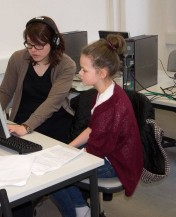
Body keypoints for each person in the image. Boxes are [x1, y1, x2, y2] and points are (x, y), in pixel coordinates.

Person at [51, 34, 143, 217]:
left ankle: (77, 212)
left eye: (84, 70)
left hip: (116, 163)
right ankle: (82, 209)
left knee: (53, 177)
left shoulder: (111, 106)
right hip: (106, 152)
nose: (80, 73)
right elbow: (91, 129)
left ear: (101, 73)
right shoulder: (105, 92)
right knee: (57, 166)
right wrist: (68, 148)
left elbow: (95, 152)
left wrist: (67, 158)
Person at [0, 16, 76, 143]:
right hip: (21, 121)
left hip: (53, 124)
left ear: (54, 42)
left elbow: (53, 102)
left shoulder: (66, 65)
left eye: (39, 45)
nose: (33, 50)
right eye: (29, 44)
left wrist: (27, 127)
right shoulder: (18, 58)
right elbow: (5, 92)